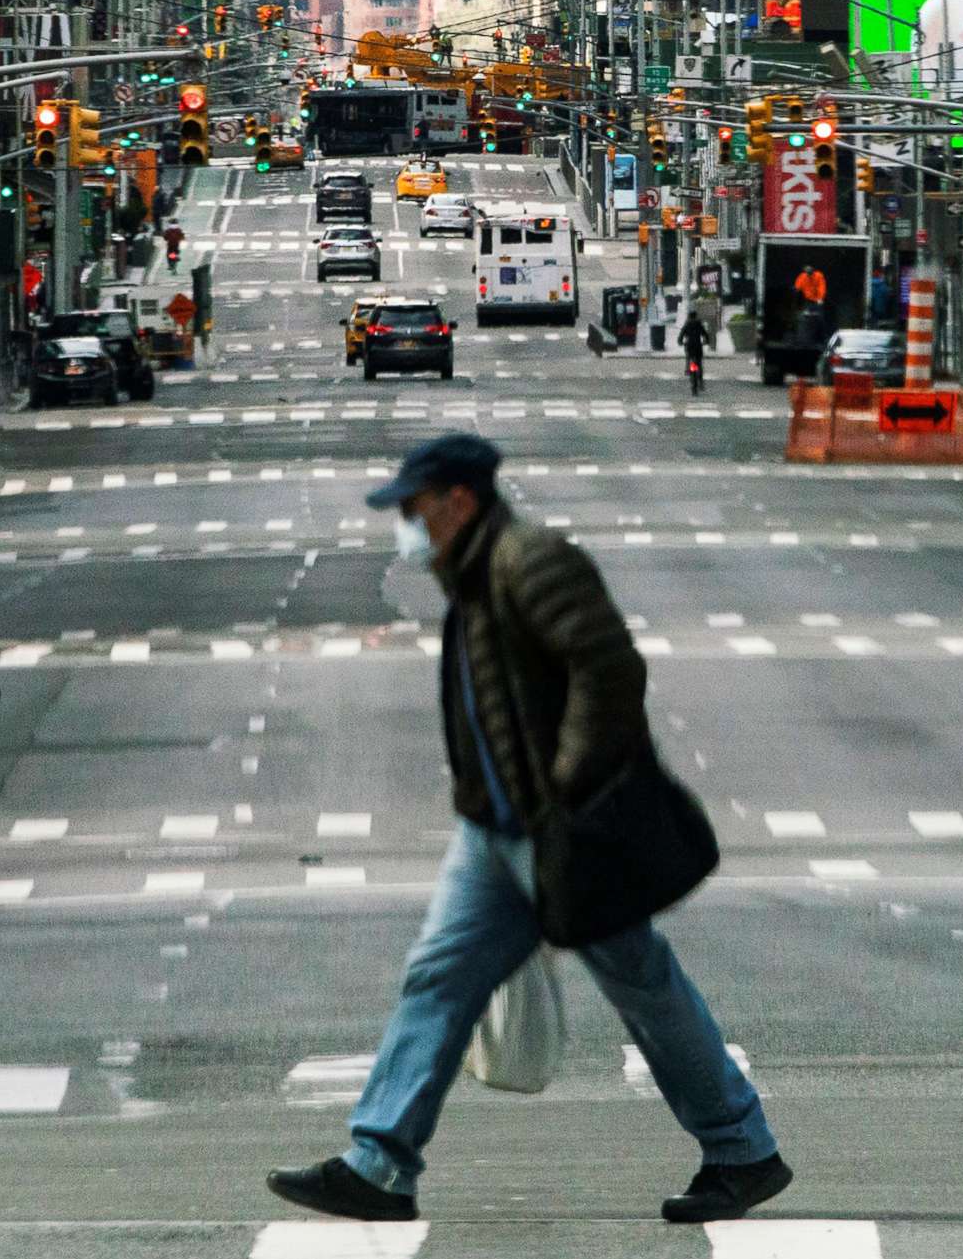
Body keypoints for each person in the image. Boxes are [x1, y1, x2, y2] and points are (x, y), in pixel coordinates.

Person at [268, 435, 787, 1226]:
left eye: (415, 507)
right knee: (439, 976)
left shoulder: (527, 559)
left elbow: (609, 666)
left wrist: (568, 785)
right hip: (495, 833)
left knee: (642, 981)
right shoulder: (473, 573)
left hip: (557, 828)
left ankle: (742, 1147)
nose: (406, 524)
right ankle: (378, 1164)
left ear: (460, 501)